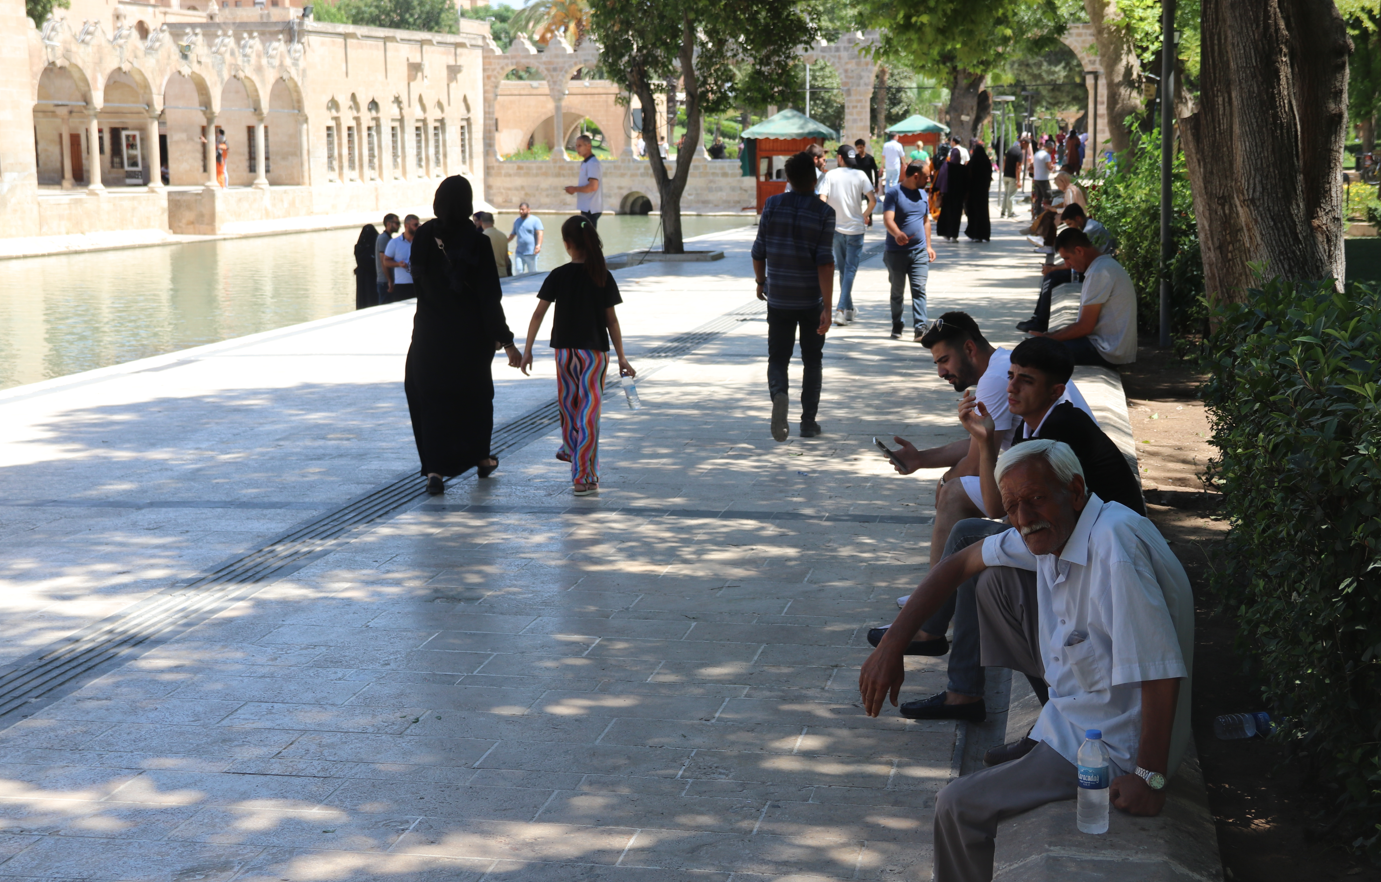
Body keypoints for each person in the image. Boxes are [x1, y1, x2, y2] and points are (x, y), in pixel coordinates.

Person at [861, 439, 1192, 882]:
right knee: (993, 580)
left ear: (1074, 492)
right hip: (1076, 713)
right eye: (1012, 505)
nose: (1022, 518)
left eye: (1034, 499)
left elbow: (1159, 667)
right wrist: (892, 645)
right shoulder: (1062, 526)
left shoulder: (1114, 545)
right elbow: (958, 563)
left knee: (957, 805)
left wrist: (1149, 778)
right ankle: (1044, 726)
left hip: (1110, 747)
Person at [875, 337, 1145, 729]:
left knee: (972, 539)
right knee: (975, 542)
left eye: (1026, 381)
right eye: (1011, 376)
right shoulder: (1033, 426)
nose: (1012, 388)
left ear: (1055, 391)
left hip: (1095, 547)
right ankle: (960, 682)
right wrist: (984, 443)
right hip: (1063, 537)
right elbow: (998, 507)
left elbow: (998, 514)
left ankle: (940, 645)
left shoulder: (1061, 428)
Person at [405, 176, 521, 496]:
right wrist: (507, 341)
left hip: (429, 335)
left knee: (430, 399)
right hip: (469, 341)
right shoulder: (478, 241)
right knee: (476, 399)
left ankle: (435, 471)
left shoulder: (424, 234)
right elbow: (488, 298)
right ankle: (482, 459)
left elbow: (418, 283)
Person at [519, 216, 635, 497]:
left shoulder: (558, 274)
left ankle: (571, 450)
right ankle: (583, 475)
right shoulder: (602, 275)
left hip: (564, 354)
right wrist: (621, 357)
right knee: (589, 414)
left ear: (567, 244)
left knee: (570, 409)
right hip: (594, 354)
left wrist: (527, 350)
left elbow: (538, 314)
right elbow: (612, 321)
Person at [751, 151, 835, 442]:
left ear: (787, 179)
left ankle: (780, 395)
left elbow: (758, 252)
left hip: (779, 299)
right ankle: (808, 422)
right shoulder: (825, 213)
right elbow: (825, 262)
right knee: (812, 359)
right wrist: (828, 305)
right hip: (811, 301)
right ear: (814, 180)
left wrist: (761, 282)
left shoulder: (772, 205)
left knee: (778, 357)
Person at [1030, 227, 1137, 367]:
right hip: (1107, 346)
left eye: (1067, 258)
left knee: (1038, 354)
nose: (1067, 265)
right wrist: (1050, 335)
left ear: (1079, 251)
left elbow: (1085, 326)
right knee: (1040, 348)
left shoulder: (1098, 272)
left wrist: (1048, 339)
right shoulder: (1104, 265)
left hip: (1107, 351)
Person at [1017, 204, 1116, 333]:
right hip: (1093, 266)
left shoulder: (1088, 231)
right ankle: (1037, 318)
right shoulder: (1089, 225)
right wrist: (1056, 267)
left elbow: (1078, 260)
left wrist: (1054, 269)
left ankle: (1040, 321)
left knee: (1051, 278)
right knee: (1052, 275)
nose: (1070, 227)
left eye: (1070, 224)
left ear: (1078, 219)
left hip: (1097, 269)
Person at [820, 145, 876, 327]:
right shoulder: (860, 175)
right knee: (849, 270)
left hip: (835, 229)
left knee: (844, 270)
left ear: (839, 158)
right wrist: (865, 215)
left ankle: (845, 309)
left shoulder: (830, 176)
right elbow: (872, 200)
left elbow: (822, 199)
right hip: (856, 229)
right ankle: (843, 310)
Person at [882, 160, 935, 341]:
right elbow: (888, 219)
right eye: (927, 176)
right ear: (915, 176)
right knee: (897, 291)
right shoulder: (893, 193)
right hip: (896, 252)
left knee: (919, 288)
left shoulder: (923, 194)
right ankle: (897, 323)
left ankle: (920, 327)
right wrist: (897, 234)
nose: (929, 180)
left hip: (919, 251)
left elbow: (925, 221)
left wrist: (928, 246)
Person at [565, 134, 603, 228]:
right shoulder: (586, 163)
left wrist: (574, 189)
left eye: (580, 145)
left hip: (591, 209)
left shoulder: (592, 163)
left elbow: (593, 186)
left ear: (588, 146)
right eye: (576, 146)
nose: (577, 148)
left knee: (589, 239)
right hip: (586, 208)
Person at [381, 214, 419, 303]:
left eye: (419, 225)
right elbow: (385, 261)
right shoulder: (394, 242)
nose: (418, 227)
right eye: (415, 225)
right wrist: (398, 264)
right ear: (406, 225)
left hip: (418, 283)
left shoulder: (420, 242)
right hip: (402, 284)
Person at [936, 148, 968, 242]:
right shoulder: (962, 168)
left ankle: (946, 233)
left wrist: (938, 189)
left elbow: (940, 178)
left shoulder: (946, 166)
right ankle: (954, 235)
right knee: (956, 215)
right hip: (959, 196)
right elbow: (966, 183)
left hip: (947, 195)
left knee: (947, 214)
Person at [964, 143, 993, 242]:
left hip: (973, 192)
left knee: (973, 212)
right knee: (983, 212)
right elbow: (989, 176)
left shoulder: (973, 163)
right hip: (983, 192)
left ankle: (975, 233)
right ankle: (984, 234)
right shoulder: (986, 162)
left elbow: (967, 176)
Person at [508, 203, 544, 275]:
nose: (521, 211)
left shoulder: (535, 220)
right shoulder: (517, 221)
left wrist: (538, 245)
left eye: (523, 209)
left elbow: (540, 233)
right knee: (519, 270)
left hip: (531, 253)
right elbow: (513, 234)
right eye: (520, 210)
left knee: (532, 273)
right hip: (519, 252)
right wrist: (505, 242)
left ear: (528, 210)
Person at [475, 211, 511, 278]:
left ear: (480, 222)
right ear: (493, 221)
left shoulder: (482, 237)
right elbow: (506, 258)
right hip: (503, 273)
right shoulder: (503, 236)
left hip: (488, 275)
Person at [352, 223, 378, 311]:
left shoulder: (359, 247)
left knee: (363, 296)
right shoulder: (374, 245)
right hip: (372, 276)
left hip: (362, 276)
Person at [375, 214, 400, 305]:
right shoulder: (383, 238)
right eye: (397, 223)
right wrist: (390, 281)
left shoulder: (388, 238)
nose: (399, 225)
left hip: (387, 280)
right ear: (389, 223)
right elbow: (383, 261)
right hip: (384, 281)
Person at [1030, 137, 1054, 219]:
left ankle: (1037, 214)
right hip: (1043, 179)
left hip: (1036, 178)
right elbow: (1049, 167)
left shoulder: (1037, 153)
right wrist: (1053, 168)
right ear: (1050, 148)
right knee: (1048, 197)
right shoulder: (1047, 155)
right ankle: (1047, 214)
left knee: (1038, 198)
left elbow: (1032, 165)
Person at [1000, 139, 1023, 218]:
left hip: (1006, 175)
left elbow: (1004, 161)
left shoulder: (1010, 150)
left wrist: (1004, 170)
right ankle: (1010, 213)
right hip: (1012, 177)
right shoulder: (1019, 153)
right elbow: (1018, 167)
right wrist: (1018, 180)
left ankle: (1003, 212)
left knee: (1006, 194)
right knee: (1011, 195)